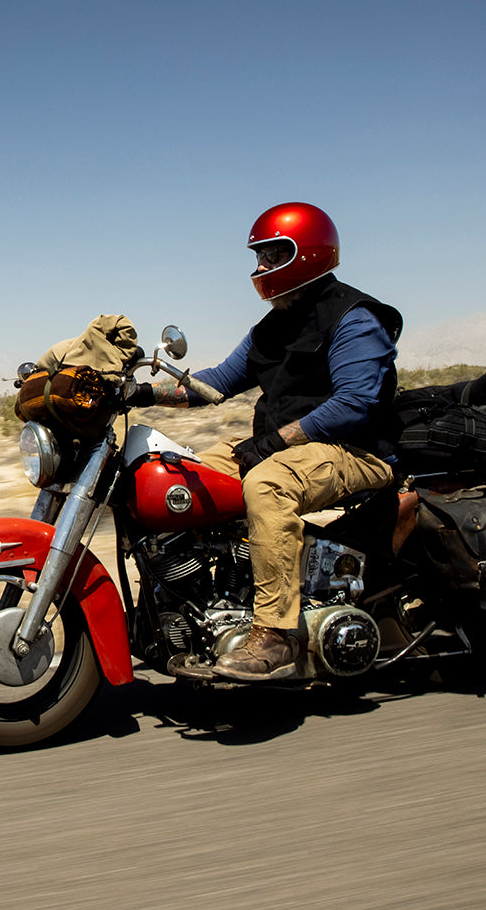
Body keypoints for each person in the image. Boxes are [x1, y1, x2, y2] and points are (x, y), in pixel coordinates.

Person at [130, 202, 402, 681]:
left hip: (356, 450)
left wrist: (275, 443)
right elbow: (217, 383)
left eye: (271, 255)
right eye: (259, 257)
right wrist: (142, 393)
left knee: (267, 486)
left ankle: (277, 634)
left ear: (307, 254)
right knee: (177, 473)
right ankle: (183, 602)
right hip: (283, 446)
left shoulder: (355, 318)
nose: (258, 269)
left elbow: (356, 402)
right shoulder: (273, 327)